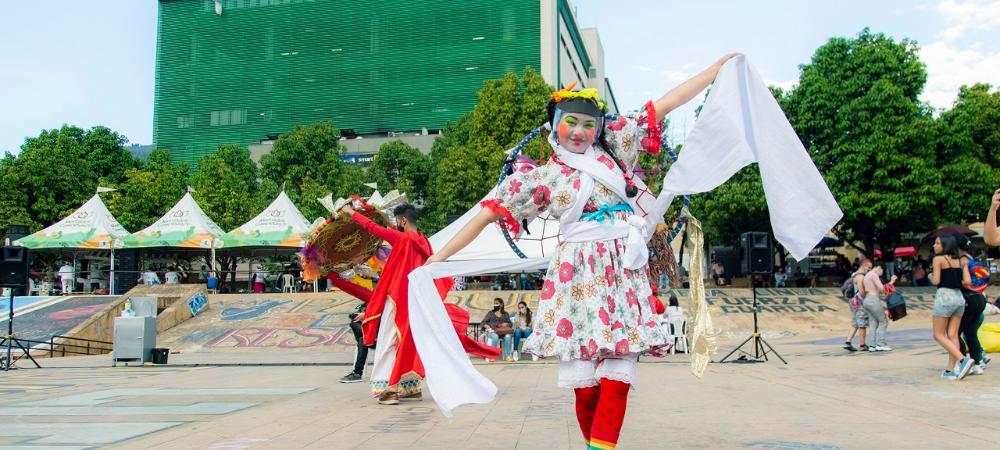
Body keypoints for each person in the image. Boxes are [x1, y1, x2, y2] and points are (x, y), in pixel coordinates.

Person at [425, 53, 742, 448]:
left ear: (599, 129)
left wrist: (713, 73)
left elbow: (663, 104)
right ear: (553, 128)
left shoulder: (615, 152)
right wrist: (438, 258)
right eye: (570, 123)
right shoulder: (541, 178)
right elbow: (485, 215)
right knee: (584, 383)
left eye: (588, 125)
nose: (579, 132)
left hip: (621, 272)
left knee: (618, 372)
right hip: (576, 276)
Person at [339, 203, 441, 405]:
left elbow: (373, 229)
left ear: (402, 220)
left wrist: (351, 213)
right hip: (417, 299)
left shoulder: (402, 239)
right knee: (409, 341)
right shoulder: (424, 242)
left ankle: (388, 388)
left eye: (397, 221)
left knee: (388, 340)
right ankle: (410, 386)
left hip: (398, 298)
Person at [930, 235, 976, 380]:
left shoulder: (938, 259)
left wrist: (932, 276)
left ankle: (963, 360)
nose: (934, 246)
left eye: (937, 243)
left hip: (944, 296)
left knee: (938, 335)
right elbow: (968, 281)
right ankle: (951, 370)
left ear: (945, 245)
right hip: (959, 298)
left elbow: (936, 280)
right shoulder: (961, 260)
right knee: (953, 335)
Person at [957, 235, 988, 375]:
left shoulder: (962, 261)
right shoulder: (972, 259)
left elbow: (966, 282)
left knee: (955, 333)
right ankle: (977, 363)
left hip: (969, 299)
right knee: (970, 333)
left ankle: (964, 362)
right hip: (980, 298)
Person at [861, 264, 896, 352]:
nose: (882, 273)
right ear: (879, 268)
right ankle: (881, 344)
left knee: (873, 322)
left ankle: (872, 345)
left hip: (867, 300)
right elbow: (882, 289)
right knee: (883, 321)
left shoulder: (867, 275)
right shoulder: (873, 274)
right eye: (882, 271)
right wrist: (892, 281)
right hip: (873, 300)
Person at [844, 259, 871, 352]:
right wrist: (867, 298)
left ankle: (848, 342)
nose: (869, 270)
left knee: (855, 322)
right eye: (869, 267)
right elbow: (861, 290)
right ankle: (863, 345)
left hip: (852, 300)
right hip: (859, 301)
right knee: (862, 323)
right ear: (863, 265)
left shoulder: (854, 274)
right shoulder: (860, 277)